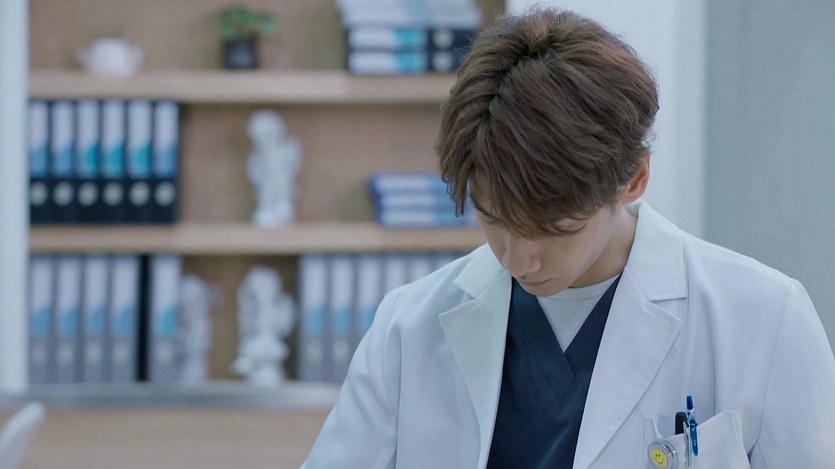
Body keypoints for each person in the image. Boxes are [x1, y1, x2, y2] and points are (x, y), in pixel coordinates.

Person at [302, 7, 835, 468]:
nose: (518, 260)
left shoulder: (764, 318)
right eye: (493, 218)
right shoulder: (407, 327)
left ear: (634, 178)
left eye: (551, 228)